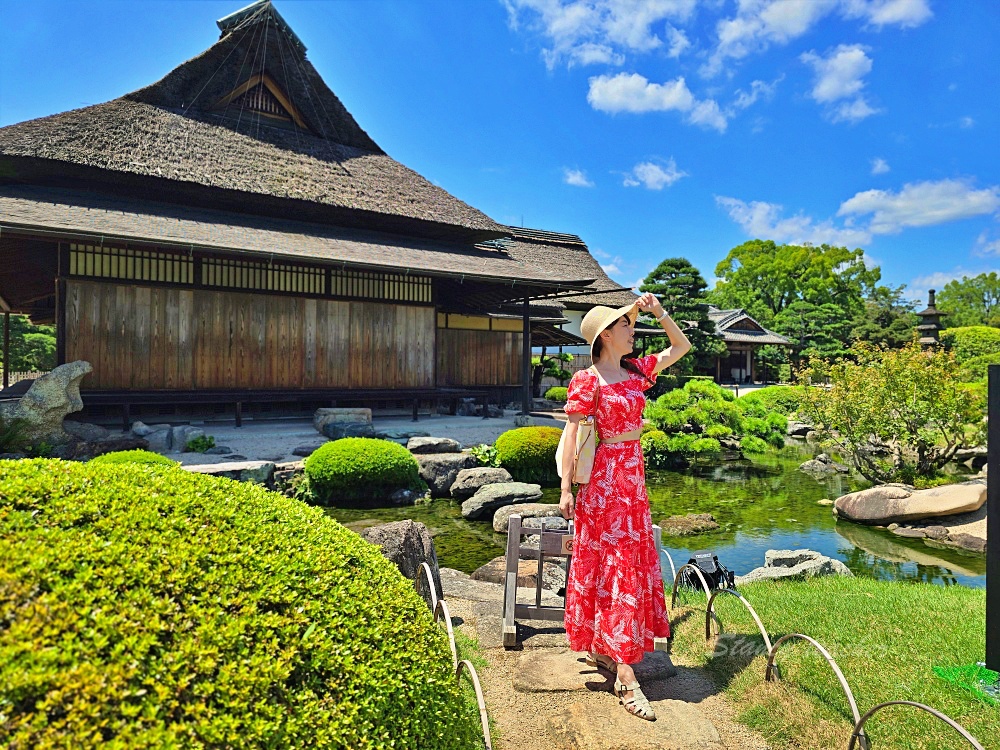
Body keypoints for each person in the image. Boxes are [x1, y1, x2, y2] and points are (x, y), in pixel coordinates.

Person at [559, 292, 691, 721]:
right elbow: (572, 440)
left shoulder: (635, 371)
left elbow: (681, 347)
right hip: (602, 486)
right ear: (606, 336)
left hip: (633, 483)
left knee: (626, 565)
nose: (633, 332)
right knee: (611, 568)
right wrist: (565, 489)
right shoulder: (587, 381)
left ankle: (612, 649)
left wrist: (657, 312)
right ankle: (627, 676)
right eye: (626, 326)